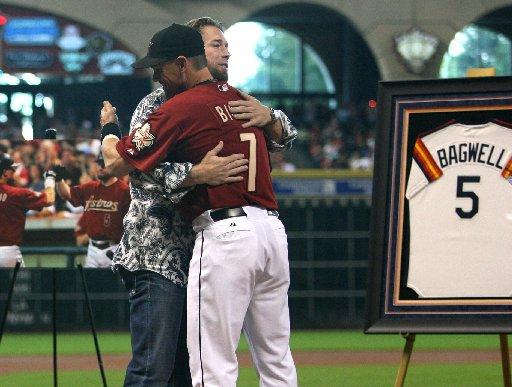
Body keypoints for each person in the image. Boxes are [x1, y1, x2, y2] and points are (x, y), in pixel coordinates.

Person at [101, 23, 297, 387]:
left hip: (225, 232)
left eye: (160, 67)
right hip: (267, 231)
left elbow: (115, 163)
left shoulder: (184, 104)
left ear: (181, 63)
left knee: (211, 364)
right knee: (276, 360)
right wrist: (194, 172)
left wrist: (108, 130)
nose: (157, 75)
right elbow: (284, 137)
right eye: (216, 45)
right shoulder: (240, 99)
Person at [52, 155, 130, 268]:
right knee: (90, 284)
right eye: (99, 164)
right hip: (92, 249)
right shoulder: (89, 188)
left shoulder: (124, 191)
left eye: (104, 164)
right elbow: (67, 194)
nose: (100, 167)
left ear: (114, 166)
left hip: (115, 248)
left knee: (112, 285)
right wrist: (59, 179)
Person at [0, 154, 55, 267]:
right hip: (8, 253)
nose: (15, 174)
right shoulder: (16, 193)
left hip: (7, 252)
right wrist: (50, 179)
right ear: (5, 172)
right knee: (22, 285)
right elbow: (49, 199)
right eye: (12, 171)